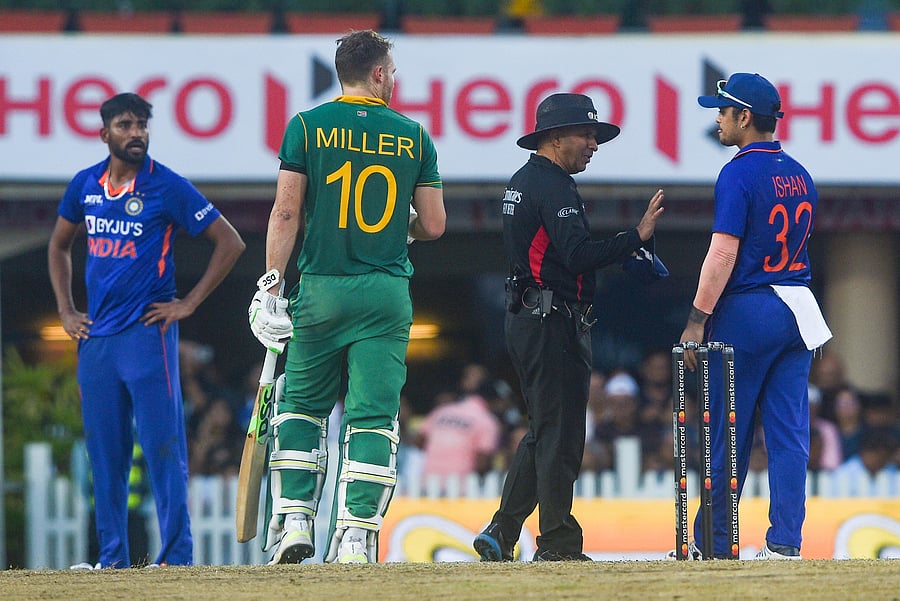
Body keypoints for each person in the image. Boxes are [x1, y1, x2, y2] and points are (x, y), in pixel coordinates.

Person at [247, 29, 445, 565]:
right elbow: (433, 225)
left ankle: (294, 521)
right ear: (379, 74)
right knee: (373, 416)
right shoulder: (414, 136)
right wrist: (399, 229)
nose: (395, 80)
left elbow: (286, 212)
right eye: (393, 72)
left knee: (301, 407)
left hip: (321, 289)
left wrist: (271, 285)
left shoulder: (306, 126)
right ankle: (355, 535)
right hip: (385, 294)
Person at [48, 92, 246, 568]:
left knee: (163, 445)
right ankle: (112, 558)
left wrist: (188, 303)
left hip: (146, 334)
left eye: (142, 125)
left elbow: (230, 241)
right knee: (105, 453)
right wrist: (67, 311)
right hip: (96, 340)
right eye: (125, 125)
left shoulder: (167, 185)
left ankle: (176, 556)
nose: (136, 133)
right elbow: (58, 247)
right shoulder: (85, 185)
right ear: (105, 134)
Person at [473, 92, 665, 562]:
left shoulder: (523, 180)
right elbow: (577, 255)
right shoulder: (554, 186)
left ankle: (502, 531)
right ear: (556, 137)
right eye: (586, 134)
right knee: (559, 436)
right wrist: (634, 238)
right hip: (551, 321)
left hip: (532, 317)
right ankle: (556, 542)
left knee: (546, 430)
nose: (594, 144)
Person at [676, 73, 832, 561]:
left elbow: (723, 254)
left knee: (728, 431)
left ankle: (715, 542)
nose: (718, 120)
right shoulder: (800, 173)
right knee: (790, 434)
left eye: (723, 112)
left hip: (749, 309)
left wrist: (697, 319)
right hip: (798, 308)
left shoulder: (738, 172)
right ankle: (785, 542)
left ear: (744, 117)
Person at [416, 378, 503, 492]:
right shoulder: (487, 420)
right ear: (495, 401)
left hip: (428, 482)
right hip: (461, 486)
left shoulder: (442, 411)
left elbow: (418, 441)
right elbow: (482, 460)